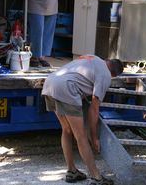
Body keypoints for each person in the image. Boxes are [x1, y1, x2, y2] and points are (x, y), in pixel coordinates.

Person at [42, 55, 123, 185]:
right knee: (81, 136)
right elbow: (94, 108)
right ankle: (96, 177)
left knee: (66, 130)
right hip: (66, 87)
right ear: (113, 74)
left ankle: (72, 171)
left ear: (107, 61)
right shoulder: (106, 75)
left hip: (50, 83)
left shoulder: (93, 58)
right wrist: (94, 136)